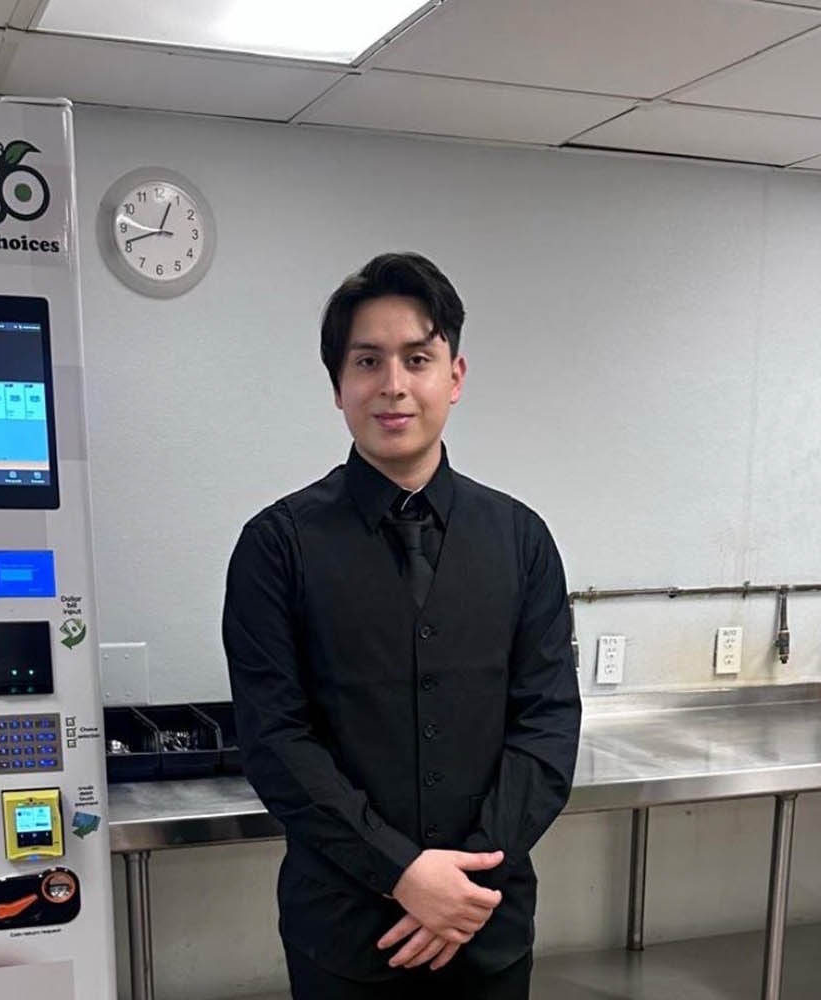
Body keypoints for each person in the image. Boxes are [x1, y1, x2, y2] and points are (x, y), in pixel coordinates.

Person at [225, 252, 581, 999]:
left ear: (454, 376)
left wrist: (463, 883)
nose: (393, 384)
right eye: (367, 360)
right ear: (337, 386)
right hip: (345, 935)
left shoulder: (521, 539)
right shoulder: (277, 546)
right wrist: (403, 873)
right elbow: (276, 741)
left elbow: (547, 724)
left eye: (417, 358)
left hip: (487, 926)